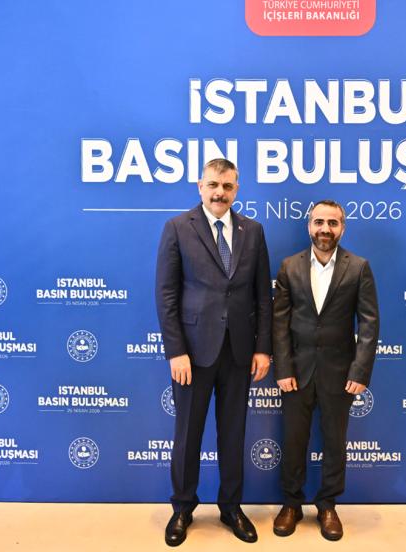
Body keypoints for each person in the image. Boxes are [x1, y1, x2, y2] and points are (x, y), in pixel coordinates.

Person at [155, 158, 272, 546]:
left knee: (233, 433)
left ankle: (231, 507)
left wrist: (262, 349)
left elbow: (262, 297)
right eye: (213, 185)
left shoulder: (253, 231)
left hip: (239, 352)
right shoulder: (177, 228)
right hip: (192, 353)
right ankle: (182, 508)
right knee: (187, 434)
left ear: (236, 189)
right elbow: (166, 294)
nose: (220, 192)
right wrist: (175, 350)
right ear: (200, 186)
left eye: (227, 186)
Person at [271, 200, 379, 541]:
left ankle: (328, 504)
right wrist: (283, 367)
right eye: (319, 222)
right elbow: (279, 323)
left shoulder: (358, 267)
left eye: (332, 223)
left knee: (335, 441)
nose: (325, 229)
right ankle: (291, 504)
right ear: (309, 226)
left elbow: (369, 323)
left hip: (339, 372)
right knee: (294, 440)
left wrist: (360, 371)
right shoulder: (289, 266)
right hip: (296, 371)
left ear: (342, 228)